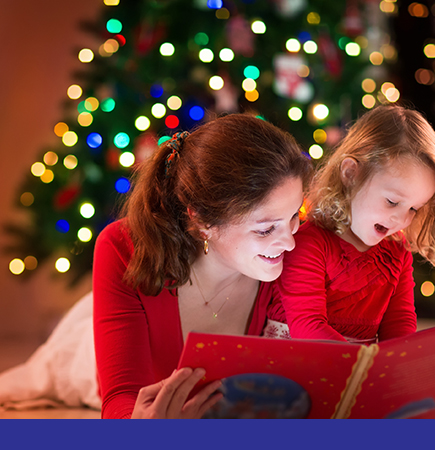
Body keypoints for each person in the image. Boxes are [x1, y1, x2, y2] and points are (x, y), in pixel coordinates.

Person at [266, 104, 435, 418]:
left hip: (361, 380)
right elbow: (308, 326)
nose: (401, 219)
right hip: (296, 373)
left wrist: (421, 377)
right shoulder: (309, 242)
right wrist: (370, 372)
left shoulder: (396, 252)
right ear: (351, 174)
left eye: (413, 209)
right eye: (393, 201)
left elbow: (400, 327)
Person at [93, 114, 312, 419]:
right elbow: (120, 397)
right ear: (202, 221)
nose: (290, 243)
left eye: (294, 217)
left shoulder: (298, 256)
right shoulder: (122, 248)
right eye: (265, 229)